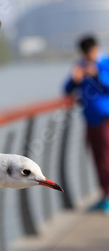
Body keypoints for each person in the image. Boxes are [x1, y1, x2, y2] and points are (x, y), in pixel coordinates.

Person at [64, 35, 109, 213]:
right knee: (98, 159)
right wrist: (75, 79)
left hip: (105, 120)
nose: (87, 57)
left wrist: (97, 75)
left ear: (96, 49)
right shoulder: (81, 66)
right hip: (91, 121)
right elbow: (67, 89)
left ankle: (107, 197)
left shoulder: (105, 63)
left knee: (106, 159)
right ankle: (105, 196)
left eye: (89, 53)